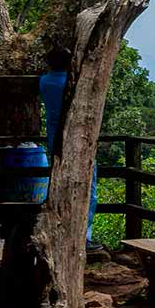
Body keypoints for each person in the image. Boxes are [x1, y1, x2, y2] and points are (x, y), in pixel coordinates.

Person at [38, 47, 101, 253]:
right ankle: (84, 237)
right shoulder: (73, 83)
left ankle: (60, 233)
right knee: (88, 190)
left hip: (54, 141)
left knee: (59, 186)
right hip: (79, 141)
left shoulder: (44, 82)